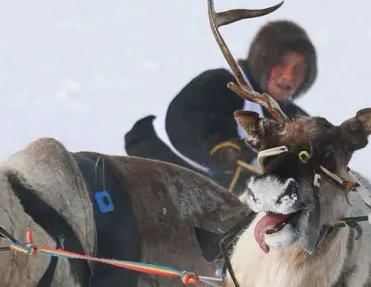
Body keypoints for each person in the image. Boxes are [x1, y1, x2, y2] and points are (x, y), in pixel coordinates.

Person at [124, 20, 318, 192]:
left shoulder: (295, 121)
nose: (288, 75)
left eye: (299, 68)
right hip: (160, 167)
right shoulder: (222, 84)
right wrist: (223, 149)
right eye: (281, 64)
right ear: (263, 61)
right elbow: (185, 118)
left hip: (216, 202)